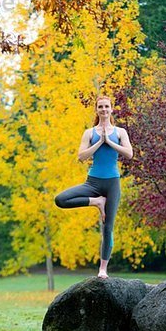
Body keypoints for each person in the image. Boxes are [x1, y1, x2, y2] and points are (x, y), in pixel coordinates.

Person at [54, 95, 133, 279]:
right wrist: (99, 142)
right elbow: (81, 157)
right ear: (97, 110)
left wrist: (110, 142)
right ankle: (97, 202)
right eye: (100, 107)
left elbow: (129, 154)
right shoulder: (89, 133)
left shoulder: (120, 132)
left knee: (108, 228)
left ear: (112, 109)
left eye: (107, 106)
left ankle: (103, 269)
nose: (104, 109)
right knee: (60, 199)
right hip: (92, 183)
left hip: (112, 184)